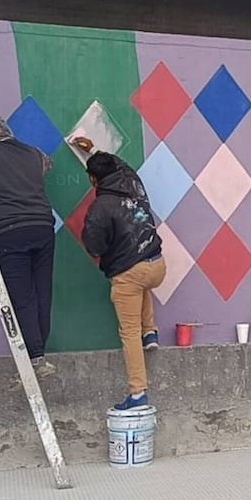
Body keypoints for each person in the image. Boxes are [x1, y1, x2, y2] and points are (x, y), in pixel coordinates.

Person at [72, 137, 165, 411]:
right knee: (140, 273)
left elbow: (94, 246)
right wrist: (94, 150)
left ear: (92, 181)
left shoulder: (100, 208)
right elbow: (117, 163)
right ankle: (151, 332)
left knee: (128, 332)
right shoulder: (132, 179)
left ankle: (138, 394)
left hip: (130, 274)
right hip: (157, 265)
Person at [0, 114, 57, 379]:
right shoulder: (34, 153)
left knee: (21, 295)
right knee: (42, 293)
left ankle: (35, 359)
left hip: (7, 229)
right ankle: (40, 354)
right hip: (42, 225)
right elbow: (46, 167)